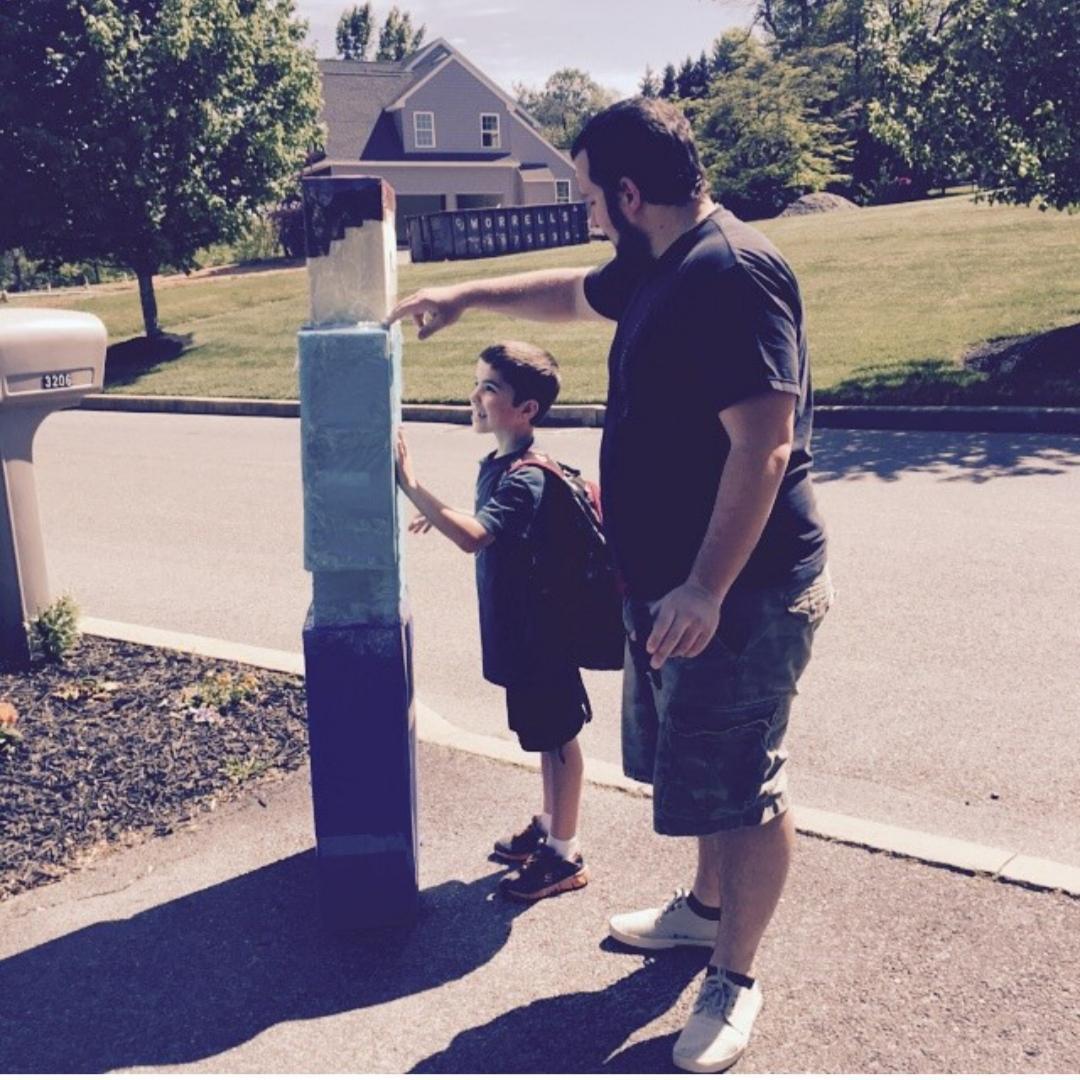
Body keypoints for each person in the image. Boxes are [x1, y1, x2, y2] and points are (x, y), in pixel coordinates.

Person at [387, 98, 831, 1072]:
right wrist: (466, 297)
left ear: (630, 195)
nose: (586, 214)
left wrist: (706, 587)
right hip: (671, 586)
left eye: (590, 196)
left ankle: (734, 977)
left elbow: (764, 445)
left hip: (740, 592)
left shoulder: (732, 271)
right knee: (698, 770)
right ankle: (704, 910)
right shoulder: (661, 261)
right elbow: (571, 295)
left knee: (744, 785)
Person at [394, 340, 592, 902]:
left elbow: (476, 536)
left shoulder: (528, 477)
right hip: (523, 631)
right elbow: (490, 522)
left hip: (543, 634)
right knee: (544, 736)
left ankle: (565, 853)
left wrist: (411, 484)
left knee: (560, 739)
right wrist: (442, 513)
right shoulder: (502, 465)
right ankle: (550, 824)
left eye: (489, 388)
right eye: (477, 382)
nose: (475, 396)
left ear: (526, 409)